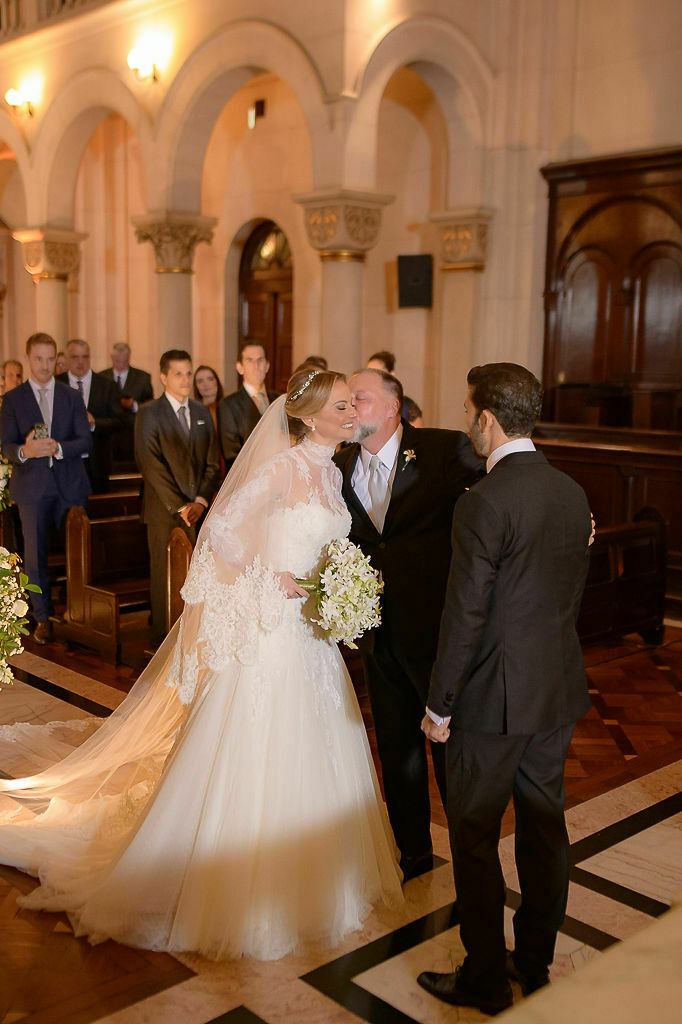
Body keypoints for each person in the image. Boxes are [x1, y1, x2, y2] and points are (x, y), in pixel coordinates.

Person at [0, 367, 402, 961]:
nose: (350, 413)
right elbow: (220, 532)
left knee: (318, 744)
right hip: (272, 631)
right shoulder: (282, 467)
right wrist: (276, 578)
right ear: (310, 415)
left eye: (351, 405)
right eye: (341, 406)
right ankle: (243, 886)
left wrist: (340, 588)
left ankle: (318, 878)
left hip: (312, 636)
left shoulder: (329, 470)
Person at [417, 363, 592, 1016]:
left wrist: (439, 706)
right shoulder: (572, 493)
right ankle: (535, 962)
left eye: (468, 412)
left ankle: (486, 979)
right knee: (545, 830)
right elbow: (562, 597)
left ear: (487, 419)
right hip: (557, 689)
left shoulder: (483, 503)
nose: (467, 424)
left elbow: (462, 615)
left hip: (491, 703)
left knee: (474, 836)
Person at [334, 368, 483, 880]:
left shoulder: (443, 450)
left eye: (361, 400)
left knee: (448, 752)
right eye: (347, 402)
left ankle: (470, 861)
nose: (352, 410)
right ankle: (413, 853)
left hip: (437, 635)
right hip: (378, 636)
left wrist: (570, 518)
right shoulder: (338, 463)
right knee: (396, 751)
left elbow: (505, 487)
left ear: (394, 406)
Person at [0, 333, 91, 643]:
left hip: (70, 484)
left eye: (50, 359)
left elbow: (85, 439)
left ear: (57, 359)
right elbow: (7, 446)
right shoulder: (13, 399)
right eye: (38, 358)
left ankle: (79, 616)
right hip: (32, 488)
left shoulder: (70, 395)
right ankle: (41, 618)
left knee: (76, 552)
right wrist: (26, 451)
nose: (44, 365)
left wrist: (59, 448)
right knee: (35, 555)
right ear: (29, 359)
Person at [135, 350, 221, 646]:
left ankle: (193, 634)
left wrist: (199, 501)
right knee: (165, 574)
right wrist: (181, 505)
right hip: (163, 509)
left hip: (199, 508)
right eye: (178, 374)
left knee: (198, 572)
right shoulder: (149, 412)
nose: (185, 379)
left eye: (188, 372)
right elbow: (150, 464)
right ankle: (163, 637)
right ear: (163, 377)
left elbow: (212, 461)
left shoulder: (201, 412)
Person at [57, 339, 124, 494]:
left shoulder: (107, 386)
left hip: (97, 464)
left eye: (85, 357)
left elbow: (120, 422)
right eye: (75, 357)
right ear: (66, 359)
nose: (81, 362)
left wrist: (94, 424)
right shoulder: (55, 385)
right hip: (64, 463)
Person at [217, 341, 280, 471]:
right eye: (249, 360)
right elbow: (231, 454)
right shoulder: (228, 405)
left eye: (260, 360)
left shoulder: (280, 399)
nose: (256, 366)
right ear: (240, 367)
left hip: (282, 477)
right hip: (249, 479)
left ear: (267, 366)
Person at [192, 364, 224, 434]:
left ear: (217, 381)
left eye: (210, 379)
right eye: (200, 381)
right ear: (196, 386)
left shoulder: (229, 408)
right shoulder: (192, 413)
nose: (206, 384)